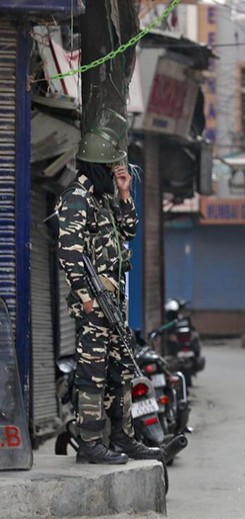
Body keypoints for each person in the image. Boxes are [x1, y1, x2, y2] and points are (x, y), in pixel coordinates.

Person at [57, 127, 163, 465]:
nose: (117, 171)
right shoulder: (76, 197)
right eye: (112, 167)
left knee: (122, 368)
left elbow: (128, 229)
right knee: (93, 372)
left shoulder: (103, 198)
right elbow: (69, 253)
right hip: (93, 302)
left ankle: (123, 436)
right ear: (97, 164)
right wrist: (86, 298)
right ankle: (90, 442)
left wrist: (124, 193)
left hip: (112, 300)